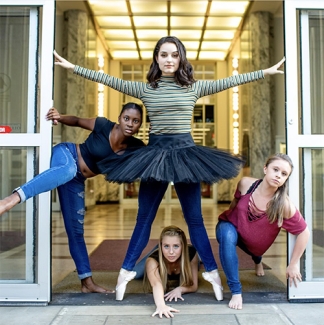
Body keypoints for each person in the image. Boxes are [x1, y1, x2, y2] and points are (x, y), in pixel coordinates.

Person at [53, 36, 286, 301]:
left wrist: (264, 72)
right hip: (155, 155)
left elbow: (230, 81)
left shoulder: (193, 88)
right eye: (164, 55)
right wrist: (74, 68)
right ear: (156, 58)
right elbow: (107, 79)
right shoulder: (146, 89)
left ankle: (211, 271)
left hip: (186, 155)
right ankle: (126, 271)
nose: (169, 60)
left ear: (181, 58)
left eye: (174, 55)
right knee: (144, 218)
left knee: (195, 219)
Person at [0, 103, 145, 293]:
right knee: (67, 170)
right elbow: (77, 121)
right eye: (127, 118)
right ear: (119, 118)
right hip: (67, 155)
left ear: (140, 125)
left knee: (76, 231)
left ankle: (87, 283)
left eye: (135, 121)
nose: (130, 124)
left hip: (77, 180)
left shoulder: (136, 147)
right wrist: (59, 117)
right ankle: (11, 199)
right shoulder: (103, 125)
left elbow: (151, 158)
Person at [216, 153, 310, 310]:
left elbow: (304, 232)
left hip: (255, 243)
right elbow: (235, 203)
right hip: (231, 225)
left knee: (255, 248)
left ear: (286, 179)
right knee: (227, 235)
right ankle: (236, 291)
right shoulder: (246, 183)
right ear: (265, 169)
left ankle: (257, 261)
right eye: (275, 169)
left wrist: (293, 264)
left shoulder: (283, 205)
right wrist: (231, 216)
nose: (278, 175)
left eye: (284, 174)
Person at [133, 225, 199, 319]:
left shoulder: (191, 254)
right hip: (158, 257)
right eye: (166, 246)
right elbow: (156, 284)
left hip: (186, 254)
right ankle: (160, 248)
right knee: (135, 273)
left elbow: (194, 285)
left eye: (176, 246)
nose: (171, 252)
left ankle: (175, 247)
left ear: (182, 246)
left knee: (197, 254)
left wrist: (180, 289)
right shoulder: (153, 261)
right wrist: (161, 306)